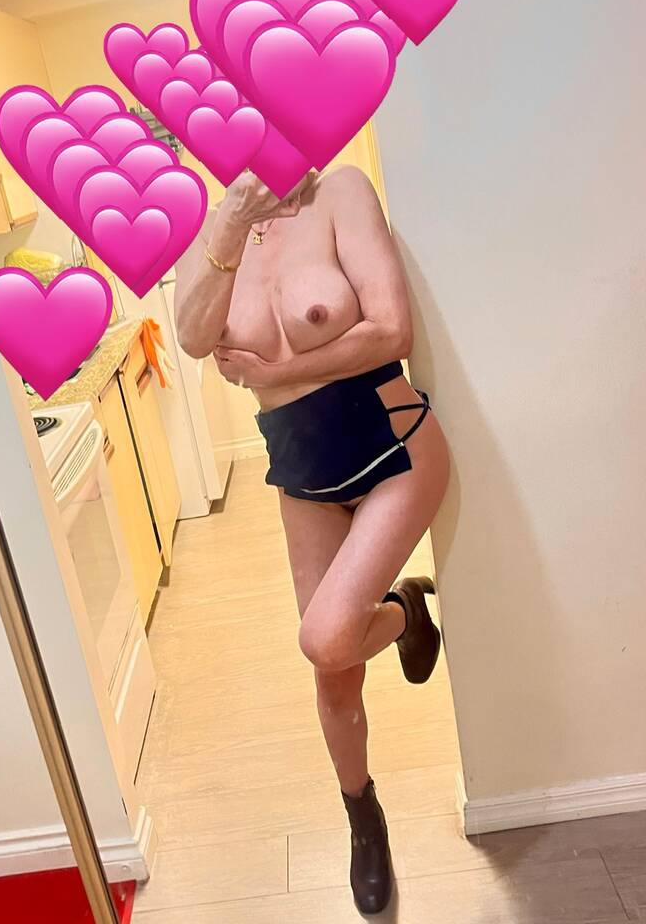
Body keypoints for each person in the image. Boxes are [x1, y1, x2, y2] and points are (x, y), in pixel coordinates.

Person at [174, 165, 450, 915]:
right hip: (301, 469)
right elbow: (194, 338)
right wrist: (233, 219)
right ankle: (364, 816)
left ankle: (404, 613)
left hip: (393, 445)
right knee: (334, 674)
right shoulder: (211, 220)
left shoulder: (340, 191)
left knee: (327, 639)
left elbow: (391, 330)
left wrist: (282, 367)